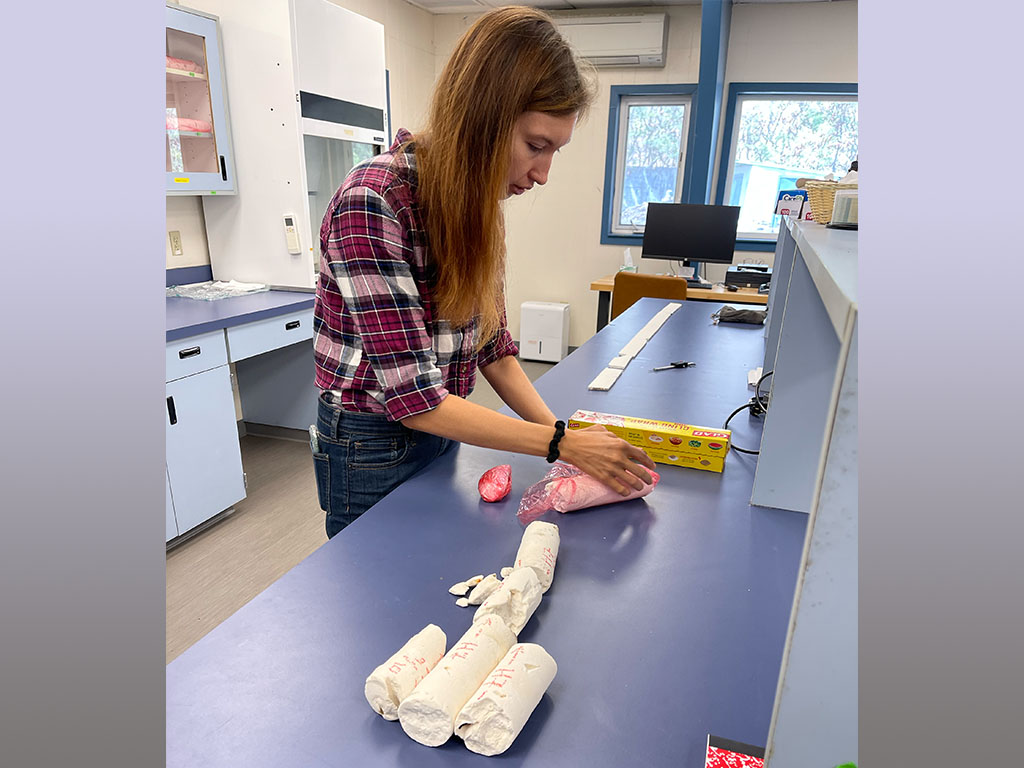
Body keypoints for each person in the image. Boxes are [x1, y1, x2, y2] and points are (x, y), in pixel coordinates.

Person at [311, 6, 656, 539]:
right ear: (482, 120)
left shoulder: (474, 205)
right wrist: (561, 442)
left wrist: (562, 440)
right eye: (536, 146)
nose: (542, 175)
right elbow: (414, 400)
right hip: (372, 445)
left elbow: (491, 348)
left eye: (554, 152)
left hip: (443, 427)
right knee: (377, 600)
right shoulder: (374, 201)